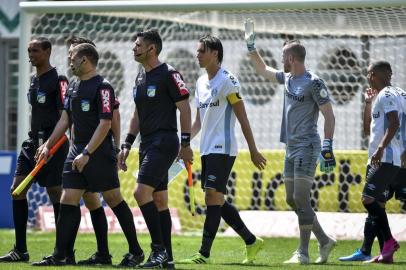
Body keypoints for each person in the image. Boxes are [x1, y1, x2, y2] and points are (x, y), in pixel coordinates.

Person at [32, 43, 144, 267]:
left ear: (85, 60)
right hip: (76, 151)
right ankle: (60, 255)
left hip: (98, 153)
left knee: (113, 200)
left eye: (72, 57)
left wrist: (87, 153)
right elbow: (65, 119)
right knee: (67, 199)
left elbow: (106, 123)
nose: (69, 60)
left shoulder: (103, 87)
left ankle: (136, 251)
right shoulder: (73, 86)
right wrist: (48, 145)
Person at [244, 18, 337, 264]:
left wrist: (327, 146)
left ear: (292, 59)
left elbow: (329, 114)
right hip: (291, 148)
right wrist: (251, 48)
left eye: (284, 57)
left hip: (308, 146)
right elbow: (263, 70)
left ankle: (304, 253)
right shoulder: (287, 79)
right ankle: (325, 241)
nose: (281, 61)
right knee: (290, 199)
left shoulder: (314, 82)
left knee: (301, 199)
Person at [178, 35, 267, 265]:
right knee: (216, 198)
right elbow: (198, 121)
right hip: (206, 149)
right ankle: (250, 240)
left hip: (224, 147)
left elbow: (243, 116)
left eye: (201, 51)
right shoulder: (199, 82)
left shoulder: (228, 80)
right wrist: (185, 144)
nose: (197, 54)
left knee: (211, 196)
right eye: (197, 51)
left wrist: (254, 150)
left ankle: (204, 254)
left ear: (215, 53)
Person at [119, 29, 193, 269]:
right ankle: (167, 259)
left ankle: (158, 250)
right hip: (146, 143)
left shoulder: (169, 74)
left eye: (138, 44)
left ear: (152, 48)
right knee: (160, 200)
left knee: (141, 194)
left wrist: (185, 144)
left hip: (164, 142)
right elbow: (137, 114)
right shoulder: (140, 77)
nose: (134, 48)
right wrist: (127, 144)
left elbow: (185, 109)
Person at [0, 37, 69, 263]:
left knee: (55, 194)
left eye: (36, 50)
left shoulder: (58, 80)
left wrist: (50, 145)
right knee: (17, 190)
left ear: (48, 51)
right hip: (32, 144)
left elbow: (65, 118)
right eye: (29, 50)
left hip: (53, 145)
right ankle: (20, 249)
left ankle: (62, 251)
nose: (31, 54)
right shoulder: (33, 80)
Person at [340, 61, 404, 264]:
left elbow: (395, 123)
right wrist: (368, 103)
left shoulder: (386, 95)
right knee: (378, 203)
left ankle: (388, 242)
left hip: (385, 158)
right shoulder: (398, 94)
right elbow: (368, 130)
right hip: (394, 158)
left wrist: (380, 148)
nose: (367, 78)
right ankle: (373, 250)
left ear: (375, 74)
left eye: (368, 74)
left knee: (368, 199)